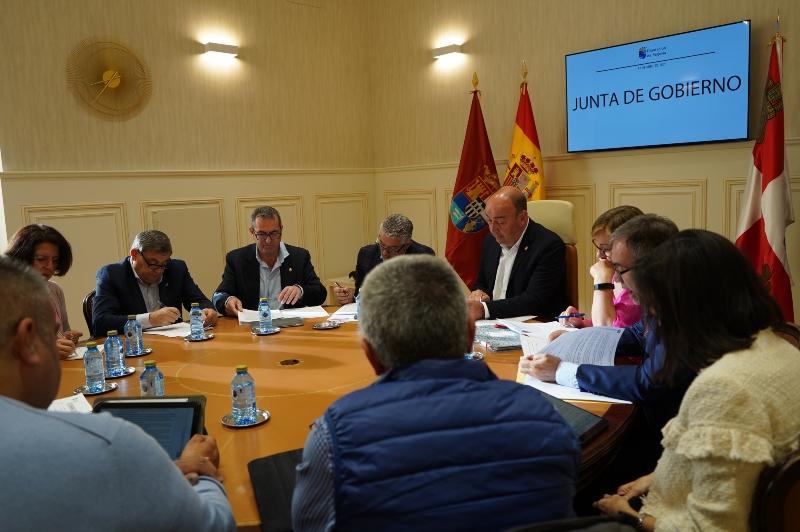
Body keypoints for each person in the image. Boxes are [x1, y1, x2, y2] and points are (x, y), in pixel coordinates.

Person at [292, 255, 580, 531]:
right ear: (469, 334)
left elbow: (308, 525)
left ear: (371, 355)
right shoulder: (543, 415)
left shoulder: (335, 436)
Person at [0, 256, 235, 531]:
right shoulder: (107, 442)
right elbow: (215, 525)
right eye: (54, 335)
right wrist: (199, 471)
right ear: (27, 341)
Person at [594, 230, 800, 531]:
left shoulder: (724, 387)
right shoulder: (780, 349)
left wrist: (627, 513)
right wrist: (654, 478)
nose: (652, 318)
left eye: (653, 305)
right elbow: (735, 467)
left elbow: (709, 528)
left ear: (681, 308)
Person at [520, 214, 680, 476]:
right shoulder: (662, 293)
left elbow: (648, 382)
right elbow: (637, 335)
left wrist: (561, 371)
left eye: (620, 269)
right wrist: (576, 340)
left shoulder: (679, 305)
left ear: (651, 266)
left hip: (664, 443)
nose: (617, 279)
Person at [467, 186, 567, 321]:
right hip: (493, 324)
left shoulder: (549, 246)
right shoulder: (490, 241)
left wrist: (485, 309)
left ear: (522, 218)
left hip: (533, 325)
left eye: (500, 222)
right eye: (489, 220)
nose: (493, 229)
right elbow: (482, 282)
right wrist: (478, 292)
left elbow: (534, 301)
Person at [93, 230, 218, 335]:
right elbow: (100, 322)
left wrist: (207, 311)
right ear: (134, 254)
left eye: (164, 264)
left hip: (174, 344)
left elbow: (199, 301)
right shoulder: (112, 275)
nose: (159, 271)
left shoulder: (176, 269)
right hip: (133, 346)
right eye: (153, 264)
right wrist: (149, 319)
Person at [213, 206, 326, 315]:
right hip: (252, 324)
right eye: (262, 234)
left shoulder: (299, 257)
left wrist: (300, 290)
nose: (268, 240)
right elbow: (219, 295)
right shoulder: (237, 259)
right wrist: (228, 300)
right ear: (252, 232)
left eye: (274, 233)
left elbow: (320, 293)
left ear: (281, 230)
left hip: (290, 323)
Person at [557, 205, 643, 329]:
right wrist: (582, 323)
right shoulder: (613, 275)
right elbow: (605, 319)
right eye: (598, 247)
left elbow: (607, 330)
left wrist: (601, 281)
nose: (599, 255)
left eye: (606, 248)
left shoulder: (637, 286)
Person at [5, 224, 83, 359]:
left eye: (55, 260)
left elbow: (61, 333)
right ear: (22, 257)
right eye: (41, 259)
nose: (50, 266)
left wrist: (66, 339)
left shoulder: (55, 290)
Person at [333, 213, 434, 304]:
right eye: (381, 244)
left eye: (392, 249)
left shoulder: (423, 257)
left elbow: (428, 301)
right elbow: (361, 294)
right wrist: (352, 298)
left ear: (407, 244)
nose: (385, 253)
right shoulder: (366, 254)